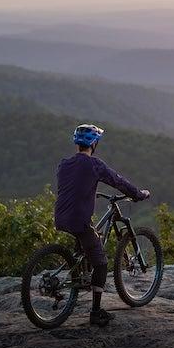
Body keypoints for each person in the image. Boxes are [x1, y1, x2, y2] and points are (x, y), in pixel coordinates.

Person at [53, 124, 150, 327]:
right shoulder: (94, 165)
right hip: (78, 220)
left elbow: (72, 186)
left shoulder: (64, 164)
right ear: (94, 143)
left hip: (61, 217)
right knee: (102, 263)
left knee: (87, 241)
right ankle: (96, 313)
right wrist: (138, 194)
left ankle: (80, 274)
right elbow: (118, 181)